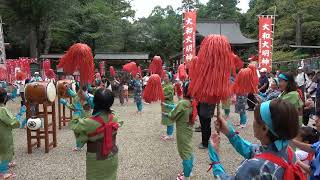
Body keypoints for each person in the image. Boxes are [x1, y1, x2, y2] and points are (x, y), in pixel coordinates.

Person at [208, 99, 305, 179]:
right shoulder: (288, 151)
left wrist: (215, 159)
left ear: (264, 128)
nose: (253, 121)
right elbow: (253, 150)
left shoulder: (254, 168)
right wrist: (229, 132)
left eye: (255, 119)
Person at [70, 88, 122, 180]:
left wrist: (77, 111)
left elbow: (75, 125)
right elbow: (109, 110)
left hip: (96, 159)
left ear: (95, 102)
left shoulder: (89, 122)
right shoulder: (115, 117)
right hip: (112, 155)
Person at [164, 81, 196, 180]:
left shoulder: (183, 103)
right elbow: (178, 109)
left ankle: (186, 176)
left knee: (184, 152)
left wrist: (167, 114)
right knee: (189, 149)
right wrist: (169, 106)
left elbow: (173, 115)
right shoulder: (192, 102)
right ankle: (189, 171)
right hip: (189, 128)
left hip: (182, 130)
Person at [0, 88, 26, 179]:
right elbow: (13, 123)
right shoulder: (2, 110)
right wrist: (19, 114)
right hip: (3, 134)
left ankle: (7, 163)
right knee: (5, 151)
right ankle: (2, 172)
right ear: (3, 98)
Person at [60, 85, 94, 151]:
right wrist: (68, 90)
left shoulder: (79, 97)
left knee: (79, 131)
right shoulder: (88, 97)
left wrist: (65, 102)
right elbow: (74, 95)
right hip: (85, 116)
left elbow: (72, 106)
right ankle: (82, 144)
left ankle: (80, 145)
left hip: (79, 116)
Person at [160, 72, 175, 141]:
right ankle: (168, 133)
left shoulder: (170, 86)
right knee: (166, 119)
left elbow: (170, 96)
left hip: (168, 104)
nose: (165, 77)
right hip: (164, 104)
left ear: (170, 78)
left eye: (166, 76)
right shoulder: (164, 85)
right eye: (164, 76)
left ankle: (170, 135)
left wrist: (162, 97)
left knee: (169, 119)